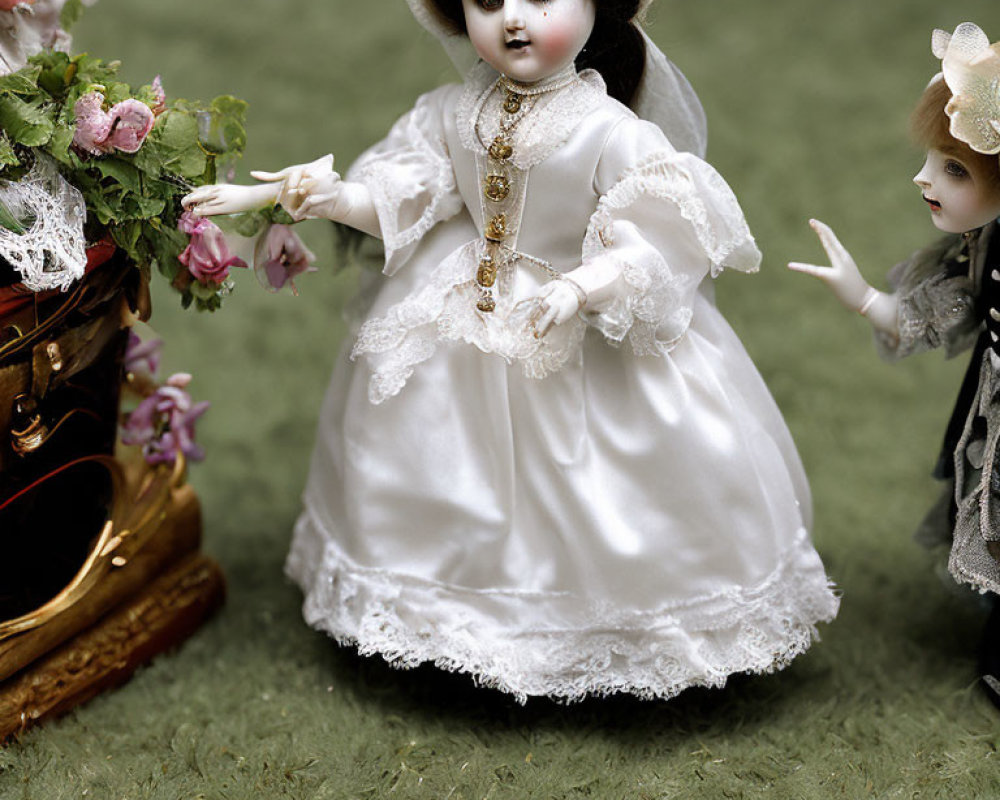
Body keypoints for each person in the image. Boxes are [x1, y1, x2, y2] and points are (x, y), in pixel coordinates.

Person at [185, 0, 838, 702]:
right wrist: (338, 197)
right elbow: (409, 192)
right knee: (435, 456)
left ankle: (600, 626)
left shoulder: (608, 130)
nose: (514, 20)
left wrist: (587, 285)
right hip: (459, 317)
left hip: (572, 325)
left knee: (584, 483)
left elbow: (658, 232)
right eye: (488, 3)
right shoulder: (450, 113)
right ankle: (449, 615)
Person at [790, 22, 1000, 709]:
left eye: (955, 169)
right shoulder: (982, 250)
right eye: (935, 161)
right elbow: (943, 309)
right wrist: (864, 297)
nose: (925, 179)